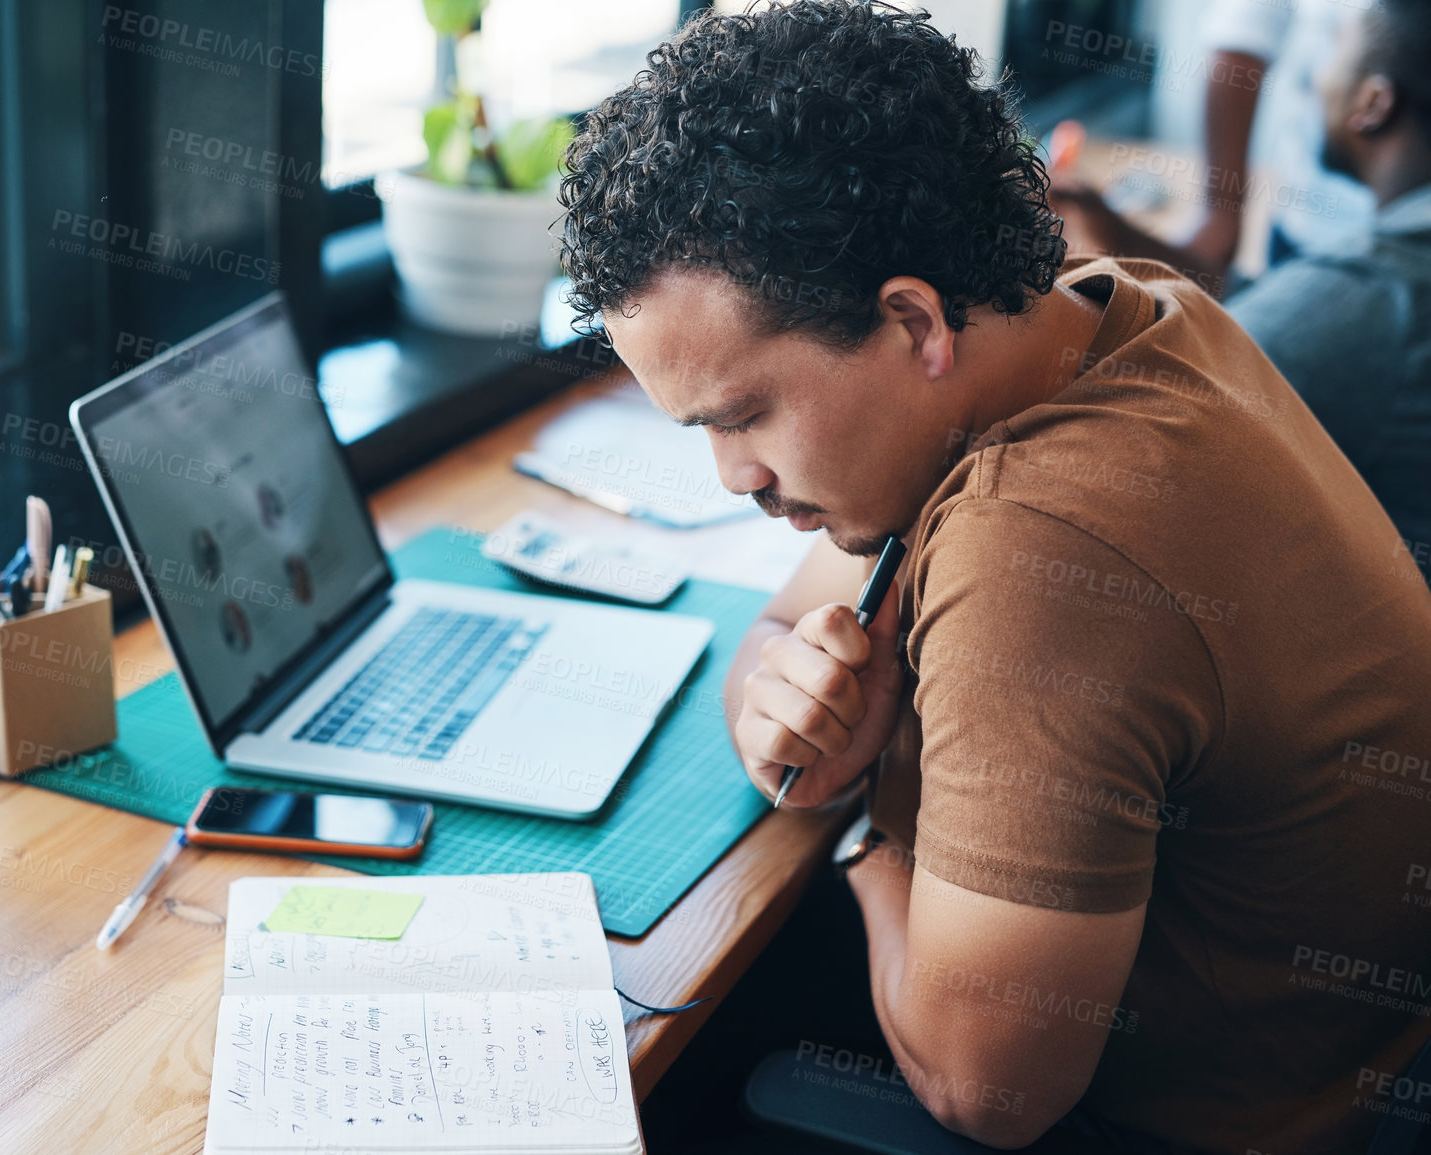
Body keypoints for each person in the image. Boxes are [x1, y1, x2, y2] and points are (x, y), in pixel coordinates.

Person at [557, 2, 1431, 1150]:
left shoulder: (1047, 545)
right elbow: (792, 617)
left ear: (914, 320)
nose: (734, 477)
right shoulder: (1121, 310)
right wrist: (781, 680)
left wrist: (875, 830)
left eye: (745, 414)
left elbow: (987, 1092)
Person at [1224, 0, 1431, 574]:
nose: (1317, 80)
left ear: (1373, 104)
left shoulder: (1376, 300)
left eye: (1332, 53)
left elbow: (1196, 366)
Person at [1051, 0, 1375, 294]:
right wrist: (1219, 215)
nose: (1315, 82)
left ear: (1376, 102)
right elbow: (1244, 29)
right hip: (1296, 238)